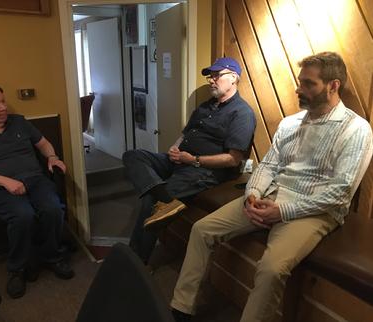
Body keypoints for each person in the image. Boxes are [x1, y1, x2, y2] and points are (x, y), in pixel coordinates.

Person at [170, 51, 373, 322]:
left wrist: (282, 211)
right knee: (202, 229)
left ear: (333, 85)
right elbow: (267, 166)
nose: (298, 89)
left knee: (271, 268)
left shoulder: (356, 129)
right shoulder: (290, 124)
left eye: (309, 84)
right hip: (269, 196)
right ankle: (181, 308)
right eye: (300, 81)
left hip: (314, 210)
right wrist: (252, 193)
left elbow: (339, 193)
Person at [123, 57, 256, 265]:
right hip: (180, 160)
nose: (211, 80)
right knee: (133, 155)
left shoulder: (242, 113)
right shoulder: (205, 107)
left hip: (203, 170)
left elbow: (233, 159)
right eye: (210, 77)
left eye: (216, 76)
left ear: (233, 78)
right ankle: (163, 194)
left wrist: (193, 159)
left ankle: (135, 261)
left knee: (151, 202)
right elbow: (185, 134)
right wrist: (175, 148)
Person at [0, 83, 74, 299]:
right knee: (23, 216)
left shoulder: (19, 122)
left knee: (53, 209)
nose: (3, 107)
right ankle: (17, 268)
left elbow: (43, 143)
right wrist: (5, 181)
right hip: (3, 187)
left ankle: (52, 256)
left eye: (3, 101)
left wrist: (52, 157)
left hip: (35, 180)